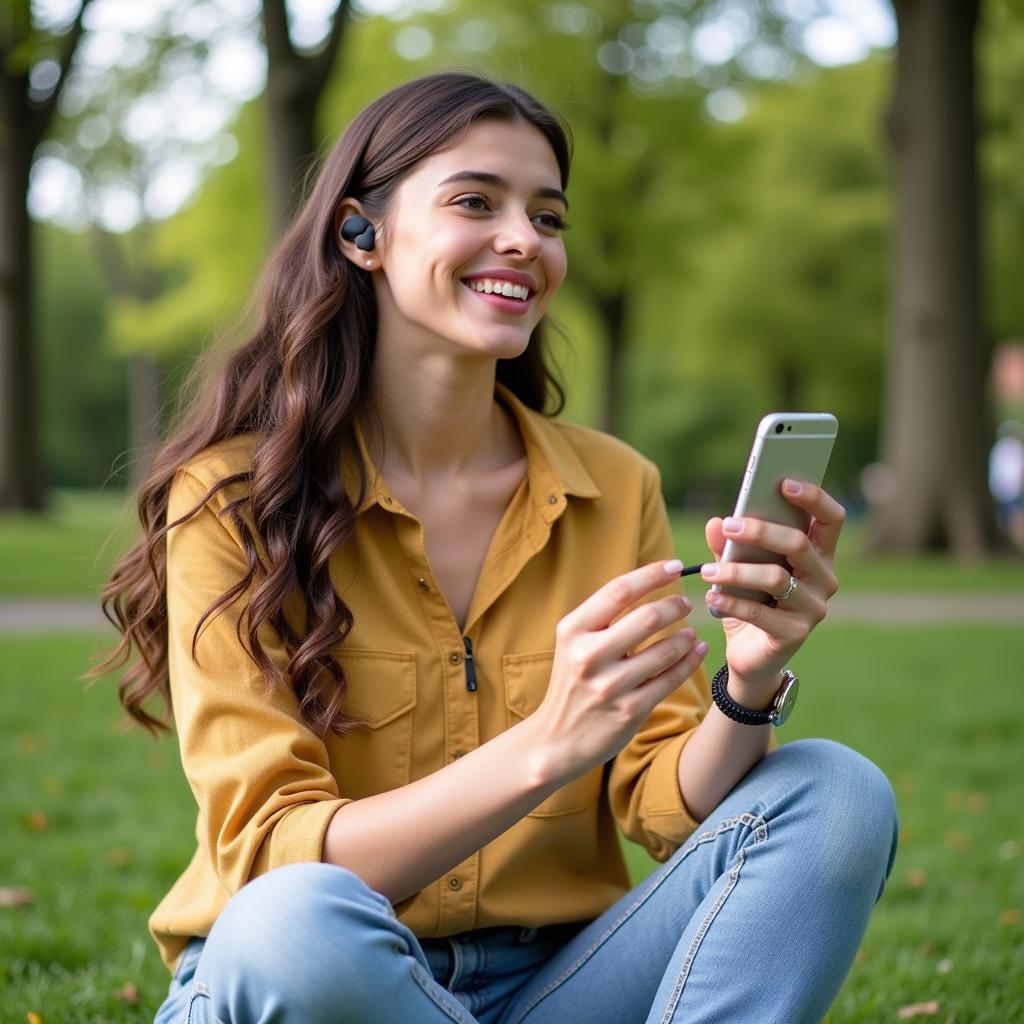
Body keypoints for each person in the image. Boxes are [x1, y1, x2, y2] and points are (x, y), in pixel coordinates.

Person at [93, 72, 898, 1024]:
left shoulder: (614, 485)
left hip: (557, 986)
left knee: (837, 792)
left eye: (548, 217)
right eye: (476, 201)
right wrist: (549, 743)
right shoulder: (232, 499)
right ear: (362, 234)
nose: (525, 240)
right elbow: (274, 855)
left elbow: (665, 806)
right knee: (289, 920)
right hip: (318, 983)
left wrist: (749, 682)